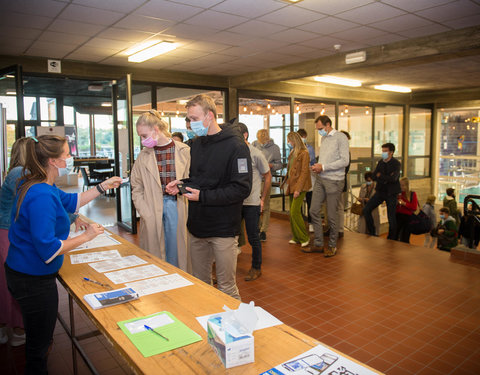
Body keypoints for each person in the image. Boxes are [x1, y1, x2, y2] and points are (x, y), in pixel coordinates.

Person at [5, 135, 121, 374]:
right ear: (53, 160)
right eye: (67, 154)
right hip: (32, 279)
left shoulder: (40, 183)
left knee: (38, 339)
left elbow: (71, 201)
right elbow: (48, 250)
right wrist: (86, 237)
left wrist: (102, 186)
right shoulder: (41, 195)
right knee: (39, 345)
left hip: (25, 272)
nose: (71, 157)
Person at [166, 94, 252, 300]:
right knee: (200, 285)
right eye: (189, 119)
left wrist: (203, 196)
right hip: (197, 226)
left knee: (226, 288)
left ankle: (232, 331)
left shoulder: (237, 146)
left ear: (209, 116)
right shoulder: (197, 144)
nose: (190, 124)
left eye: (194, 119)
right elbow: (200, 180)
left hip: (223, 229)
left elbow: (241, 189)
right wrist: (182, 185)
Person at [131, 110, 191, 270]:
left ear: (156, 129)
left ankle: (178, 285)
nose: (143, 140)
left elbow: (193, 180)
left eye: (144, 135)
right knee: (155, 256)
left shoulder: (184, 150)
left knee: (177, 251)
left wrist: (180, 188)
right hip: (151, 206)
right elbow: (136, 187)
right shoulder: (143, 156)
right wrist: (145, 211)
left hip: (177, 204)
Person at [305, 115, 349, 257]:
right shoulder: (324, 139)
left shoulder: (341, 137)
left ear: (328, 125)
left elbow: (344, 161)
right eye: (318, 129)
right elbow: (325, 159)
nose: (319, 132)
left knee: (331, 215)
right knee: (313, 211)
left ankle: (332, 245)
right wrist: (317, 166)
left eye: (321, 129)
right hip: (320, 179)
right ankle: (318, 243)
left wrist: (323, 166)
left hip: (334, 181)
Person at [0, 138, 29, 347]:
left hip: (7, 231)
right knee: (12, 282)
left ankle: (5, 329)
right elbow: (36, 201)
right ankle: (18, 330)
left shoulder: (15, 172)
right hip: (7, 233)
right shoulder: (20, 173)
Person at [237, 122, 271, 281]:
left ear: (244, 135)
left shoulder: (256, 153)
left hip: (251, 203)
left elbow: (267, 176)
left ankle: (256, 267)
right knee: (230, 237)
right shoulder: (233, 152)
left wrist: (262, 198)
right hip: (235, 202)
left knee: (253, 237)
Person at [363, 143, 401, 240]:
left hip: (391, 193)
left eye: (385, 151)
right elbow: (374, 176)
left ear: (391, 153)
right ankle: (372, 232)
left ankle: (392, 238)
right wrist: (383, 177)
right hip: (380, 191)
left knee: (391, 216)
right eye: (382, 151)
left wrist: (382, 176)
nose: (383, 153)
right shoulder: (380, 162)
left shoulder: (396, 164)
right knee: (366, 209)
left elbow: (393, 178)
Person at [252, 129, 282, 241]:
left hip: (266, 178)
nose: (261, 144)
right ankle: (257, 227)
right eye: (260, 141)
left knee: (266, 204)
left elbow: (279, 165)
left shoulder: (275, 148)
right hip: (255, 178)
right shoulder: (254, 144)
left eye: (263, 142)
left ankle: (263, 230)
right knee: (255, 203)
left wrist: (270, 165)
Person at [283, 132, 311, 248]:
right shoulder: (292, 152)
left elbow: (304, 172)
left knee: (295, 211)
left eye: (289, 140)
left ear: (294, 140)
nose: (288, 142)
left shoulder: (304, 153)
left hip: (299, 186)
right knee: (293, 212)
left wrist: (298, 189)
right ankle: (296, 237)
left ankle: (304, 237)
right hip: (291, 184)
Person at [297, 128, 316, 232]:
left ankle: (311, 222)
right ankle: (299, 223)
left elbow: (312, 161)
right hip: (299, 180)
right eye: (302, 137)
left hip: (309, 178)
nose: (304, 139)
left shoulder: (310, 149)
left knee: (310, 201)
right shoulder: (295, 149)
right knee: (298, 202)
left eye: (304, 137)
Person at [395, 177, 418, 243]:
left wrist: (404, 203)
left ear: (407, 186)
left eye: (403, 185)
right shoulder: (398, 193)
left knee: (405, 237)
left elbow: (414, 207)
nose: (401, 187)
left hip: (407, 217)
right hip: (398, 216)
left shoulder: (412, 194)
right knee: (395, 235)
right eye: (400, 185)